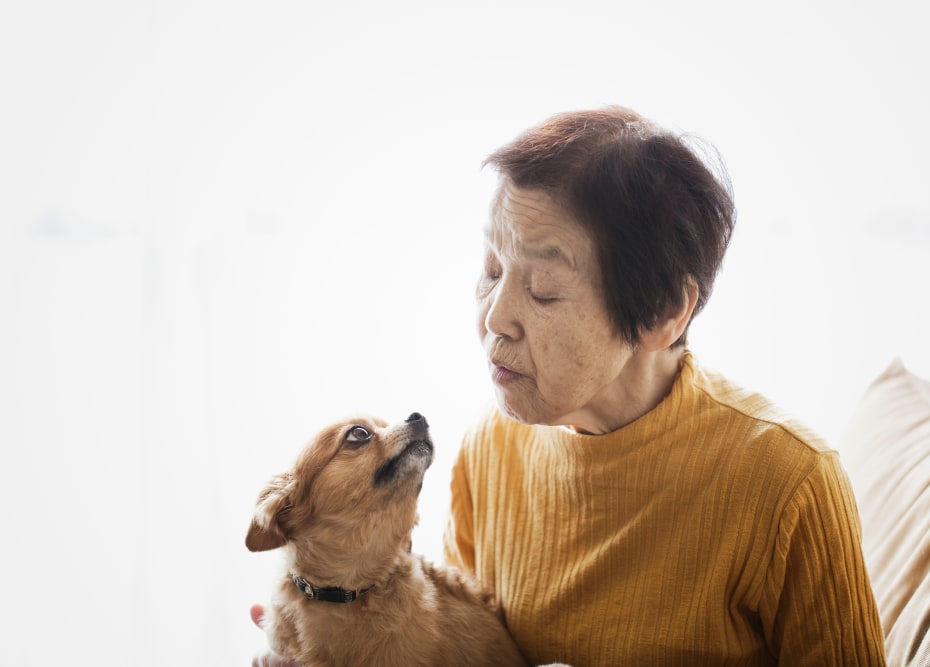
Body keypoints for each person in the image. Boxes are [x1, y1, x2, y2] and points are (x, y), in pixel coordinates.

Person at [252, 106, 886, 666]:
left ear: (666, 312)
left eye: (543, 290)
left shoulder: (790, 485)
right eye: (490, 269)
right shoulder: (491, 448)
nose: (494, 319)